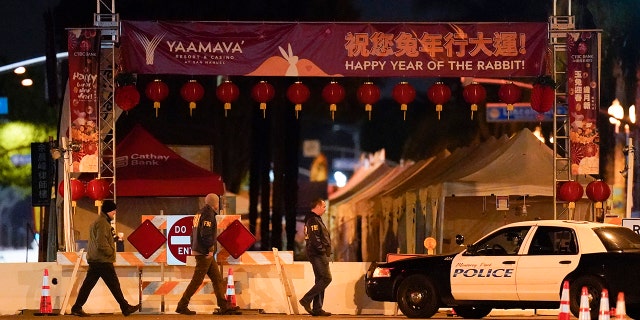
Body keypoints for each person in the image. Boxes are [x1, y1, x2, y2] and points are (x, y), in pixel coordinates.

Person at [71, 200, 140, 317]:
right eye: (113, 211)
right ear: (108, 211)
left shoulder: (99, 222)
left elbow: (102, 239)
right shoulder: (103, 223)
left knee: (88, 285)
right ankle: (125, 307)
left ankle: (77, 307)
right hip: (102, 260)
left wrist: (113, 239)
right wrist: (110, 252)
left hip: (96, 259)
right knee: (114, 285)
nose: (114, 213)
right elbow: (101, 243)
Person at [175, 193, 241, 316]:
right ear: (215, 203)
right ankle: (182, 305)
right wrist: (209, 249)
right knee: (197, 280)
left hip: (200, 250)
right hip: (204, 252)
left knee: (217, 279)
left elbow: (193, 233)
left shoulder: (199, 213)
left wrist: (194, 247)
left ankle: (224, 306)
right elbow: (205, 234)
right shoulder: (208, 214)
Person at [299, 198, 332, 317]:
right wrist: (322, 250)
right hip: (317, 254)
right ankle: (306, 299)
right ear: (317, 207)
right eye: (323, 206)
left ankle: (317, 308)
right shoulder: (313, 219)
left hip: (316, 253)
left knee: (320, 280)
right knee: (326, 278)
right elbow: (315, 238)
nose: (325, 209)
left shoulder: (313, 219)